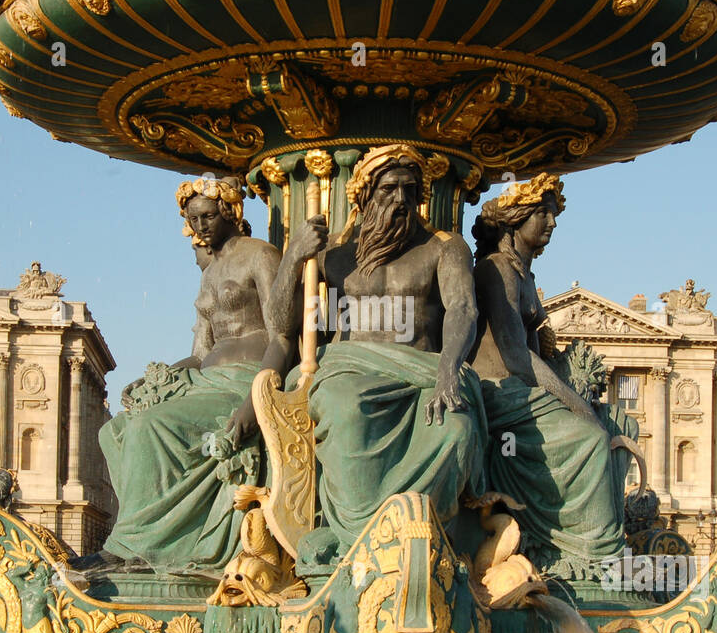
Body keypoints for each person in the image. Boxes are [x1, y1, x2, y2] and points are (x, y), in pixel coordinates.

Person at [272, 144, 486, 548]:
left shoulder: (445, 247)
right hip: (350, 371)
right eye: (389, 190)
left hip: (424, 371)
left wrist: (447, 373)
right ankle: (356, 541)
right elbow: (282, 326)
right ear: (366, 196)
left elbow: (463, 309)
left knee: (456, 429)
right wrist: (293, 258)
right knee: (347, 410)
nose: (401, 200)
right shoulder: (332, 255)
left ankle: (426, 543)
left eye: (410, 190)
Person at [89, 176, 283, 573]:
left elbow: (284, 335)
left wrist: (255, 400)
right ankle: (149, 534)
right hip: (206, 378)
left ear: (230, 212)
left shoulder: (261, 255)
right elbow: (200, 354)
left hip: (244, 378)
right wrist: (158, 376)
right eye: (193, 219)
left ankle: (135, 546)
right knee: (117, 430)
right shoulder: (209, 273)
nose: (200, 227)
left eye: (208, 216)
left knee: (151, 427)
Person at [468, 173, 637, 580]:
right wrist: (577, 406)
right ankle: (590, 553)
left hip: (519, 389)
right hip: (498, 391)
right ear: (516, 219)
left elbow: (536, 351)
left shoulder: (524, 275)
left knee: (619, 423)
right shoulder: (496, 270)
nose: (552, 223)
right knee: (592, 437)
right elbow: (516, 355)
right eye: (544, 213)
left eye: (554, 214)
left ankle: (589, 538)